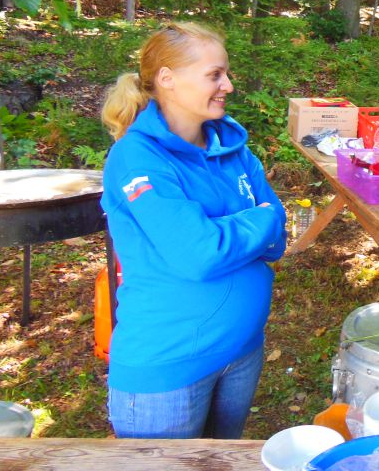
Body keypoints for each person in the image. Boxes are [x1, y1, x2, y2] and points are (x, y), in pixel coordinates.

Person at [100, 22, 287, 439]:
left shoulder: (231, 146)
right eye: (214, 75)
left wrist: (239, 228)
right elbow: (199, 254)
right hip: (169, 365)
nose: (229, 86)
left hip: (241, 351)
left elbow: (278, 242)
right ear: (167, 78)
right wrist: (261, 219)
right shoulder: (138, 158)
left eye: (226, 73)